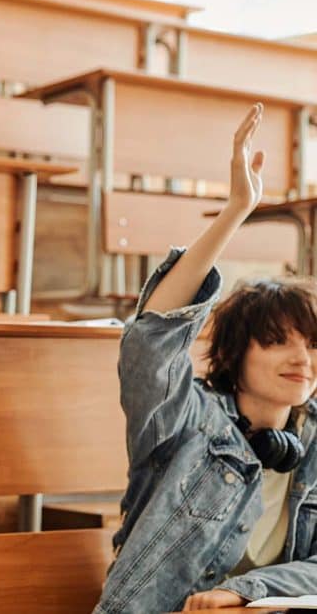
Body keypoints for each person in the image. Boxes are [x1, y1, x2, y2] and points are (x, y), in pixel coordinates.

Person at [95, 104, 317, 613]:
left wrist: (245, 590)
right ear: (237, 353)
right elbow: (150, 343)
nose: (302, 358)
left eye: (312, 344)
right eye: (278, 340)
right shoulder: (187, 421)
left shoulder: (313, 442)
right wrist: (236, 210)